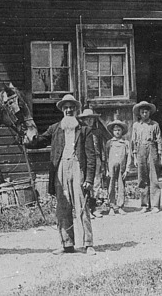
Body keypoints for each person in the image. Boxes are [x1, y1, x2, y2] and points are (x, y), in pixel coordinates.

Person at [24, 94, 96, 255]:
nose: (69, 110)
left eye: (71, 107)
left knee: (81, 206)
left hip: (78, 168)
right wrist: (27, 141)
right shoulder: (55, 128)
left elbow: (91, 156)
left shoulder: (85, 130)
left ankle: (88, 243)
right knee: (63, 208)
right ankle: (67, 244)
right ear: (62, 110)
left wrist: (89, 178)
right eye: (66, 107)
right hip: (60, 169)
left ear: (76, 109)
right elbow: (40, 141)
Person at [131, 101, 162, 213]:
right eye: (142, 112)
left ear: (149, 112)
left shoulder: (155, 125)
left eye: (146, 111)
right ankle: (145, 204)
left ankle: (155, 205)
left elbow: (159, 140)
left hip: (152, 149)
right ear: (139, 113)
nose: (144, 113)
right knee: (142, 178)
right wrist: (134, 157)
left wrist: (159, 155)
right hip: (140, 150)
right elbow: (133, 142)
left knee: (153, 177)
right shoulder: (136, 126)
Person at [77, 108, 109, 218]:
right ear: (83, 120)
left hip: (97, 158)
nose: (89, 121)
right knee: (86, 182)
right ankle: (86, 209)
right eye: (87, 119)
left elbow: (102, 147)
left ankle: (95, 208)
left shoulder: (97, 132)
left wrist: (103, 160)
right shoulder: (81, 132)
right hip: (85, 159)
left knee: (96, 183)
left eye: (91, 119)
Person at [105, 119, 133, 214]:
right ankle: (112, 207)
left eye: (119, 130)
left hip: (122, 168)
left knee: (121, 187)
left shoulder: (126, 143)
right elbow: (106, 156)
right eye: (115, 130)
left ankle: (120, 206)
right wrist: (107, 170)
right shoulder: (109, 143)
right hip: (111, 168)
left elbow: (129, 156)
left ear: (122, 131)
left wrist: (127, 169)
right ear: (112, 132)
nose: (117, 132)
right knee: (111, 186)